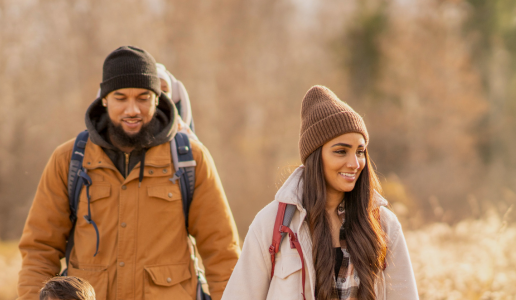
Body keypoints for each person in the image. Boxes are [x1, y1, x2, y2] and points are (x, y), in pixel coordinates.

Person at [17, 46, 240, 300]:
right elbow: (39, 250)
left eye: (143, 98)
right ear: (104, 99)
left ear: (158, 99)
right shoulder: (68, 160)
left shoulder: (191, 160)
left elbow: (223, 254)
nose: (132, 109)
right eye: (120, 98)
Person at [221, 86, 418, 300]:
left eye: (360, 152)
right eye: (341, 151)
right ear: (315, 156)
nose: (354, 163)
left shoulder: (384, 226)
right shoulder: (271, 225)